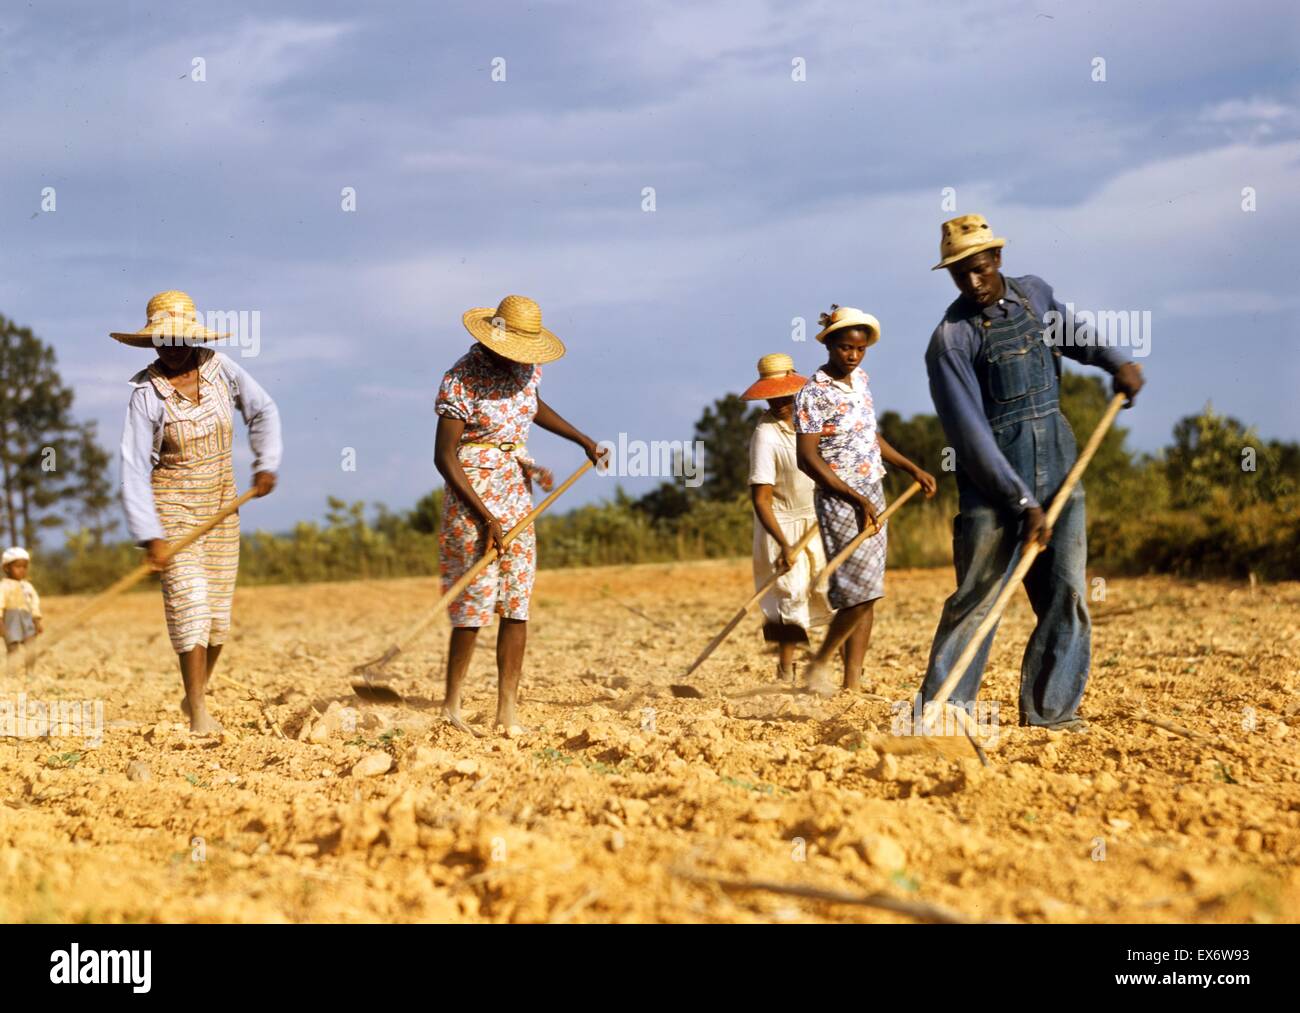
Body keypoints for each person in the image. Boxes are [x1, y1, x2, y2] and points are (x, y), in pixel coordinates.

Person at [919, 214, 1144, 730]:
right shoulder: (951, 340)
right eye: (960, 275)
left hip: (1061, 466)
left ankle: (1051, 711)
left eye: (979, 269)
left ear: (996, 258)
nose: (972, 282)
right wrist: (1022, 503)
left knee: (1066, 592)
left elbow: (1075, 335)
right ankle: (943, 718)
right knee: (977, 598)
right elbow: (970, 437)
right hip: (992, 484)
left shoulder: (1035, 296)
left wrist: (1116, 363)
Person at [435, 295, 605, 738]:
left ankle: (506, 711)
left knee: (517, 600)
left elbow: (532, 405)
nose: (519, 360)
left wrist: (581, 439)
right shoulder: (460, 379)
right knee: (474, 601)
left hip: (515, 492)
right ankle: (452, 704)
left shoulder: (527, 370)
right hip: (471, 495)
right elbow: (444, 457)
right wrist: (486, 517)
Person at [116, 290, 281, 735]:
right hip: (173, 508)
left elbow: (263, 410)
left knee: (217, 619)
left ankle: (193, 697)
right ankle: (200, 713)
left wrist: (265, 464)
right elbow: (133, 466)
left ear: (191, 336)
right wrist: (151, 535)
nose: (170, 349)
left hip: (223, 507)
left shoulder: (220, 369)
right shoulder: (146, 393)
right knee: (190, 605)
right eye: (161, 341)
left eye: (177, 338)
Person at [795, 307, 937, 696]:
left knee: (870, 590)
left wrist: (911, 468)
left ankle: (851, 683)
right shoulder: (814, 393)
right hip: (839, 499)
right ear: (829, 346)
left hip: (873, 490)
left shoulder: (861, 382)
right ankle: (821, 660)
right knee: (857, 592)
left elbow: (869, 438)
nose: (852, 356)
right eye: (845, 348)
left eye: (859, 349)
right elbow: (807, 458)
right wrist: (853, 497)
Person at [742, 354, 831, 681]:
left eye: (785, 394)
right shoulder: (766, 434)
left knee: (830, 590)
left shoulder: (813, 420)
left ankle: (838, 670)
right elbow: (761, 500)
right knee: (789, 598)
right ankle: (785, 673)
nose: (780, 401)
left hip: (818, 520)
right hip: (780, 525)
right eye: (773, 395)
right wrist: (784, 544)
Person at [2, 547, 42, 678]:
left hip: (27, 618)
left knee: (31, 646)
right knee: (13, 649)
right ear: (7, 568)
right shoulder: (3, 586)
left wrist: (37, 620)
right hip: (11, 620)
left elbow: (34, 603)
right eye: (18, 566)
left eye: (25, 567)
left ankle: (30, 672)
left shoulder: (28, 586)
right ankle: (11, 675)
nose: (22, 570)